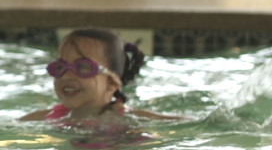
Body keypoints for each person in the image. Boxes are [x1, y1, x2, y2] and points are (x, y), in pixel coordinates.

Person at [20, 27, 181, 122]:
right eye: (60, 67)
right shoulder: (46, 118)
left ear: (112, 83)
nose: (66, 76)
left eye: (82, 67)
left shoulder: (131, 119)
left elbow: (186, 125)